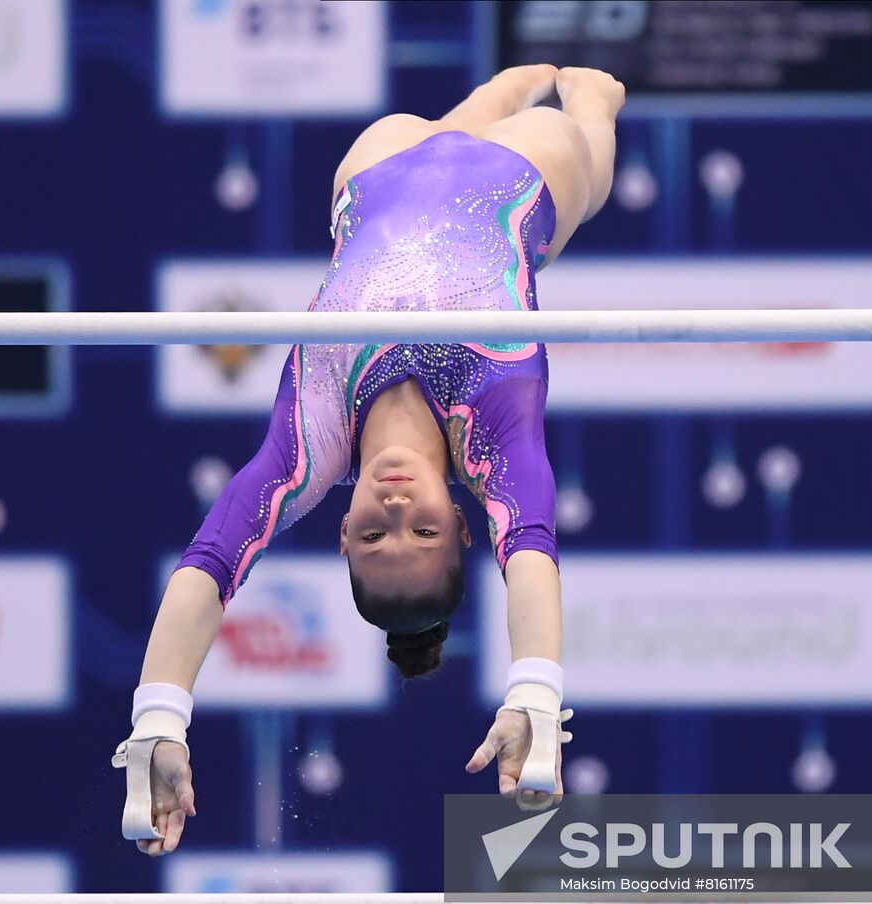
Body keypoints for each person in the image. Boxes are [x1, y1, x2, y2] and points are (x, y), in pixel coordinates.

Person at [114, 65, 626, 856]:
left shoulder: (310, 443)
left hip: (374, 175)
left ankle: (494, 98)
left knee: (432, 129)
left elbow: (209, 564)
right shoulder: (495, 427)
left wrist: (158, 722)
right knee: (578, 142)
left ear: (342, 534)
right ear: (461, 525)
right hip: (522, 178)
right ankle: (595, 102)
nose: (393, 513)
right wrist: (534, 691)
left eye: (375, 539)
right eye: (422, 534)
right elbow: (531, 556)